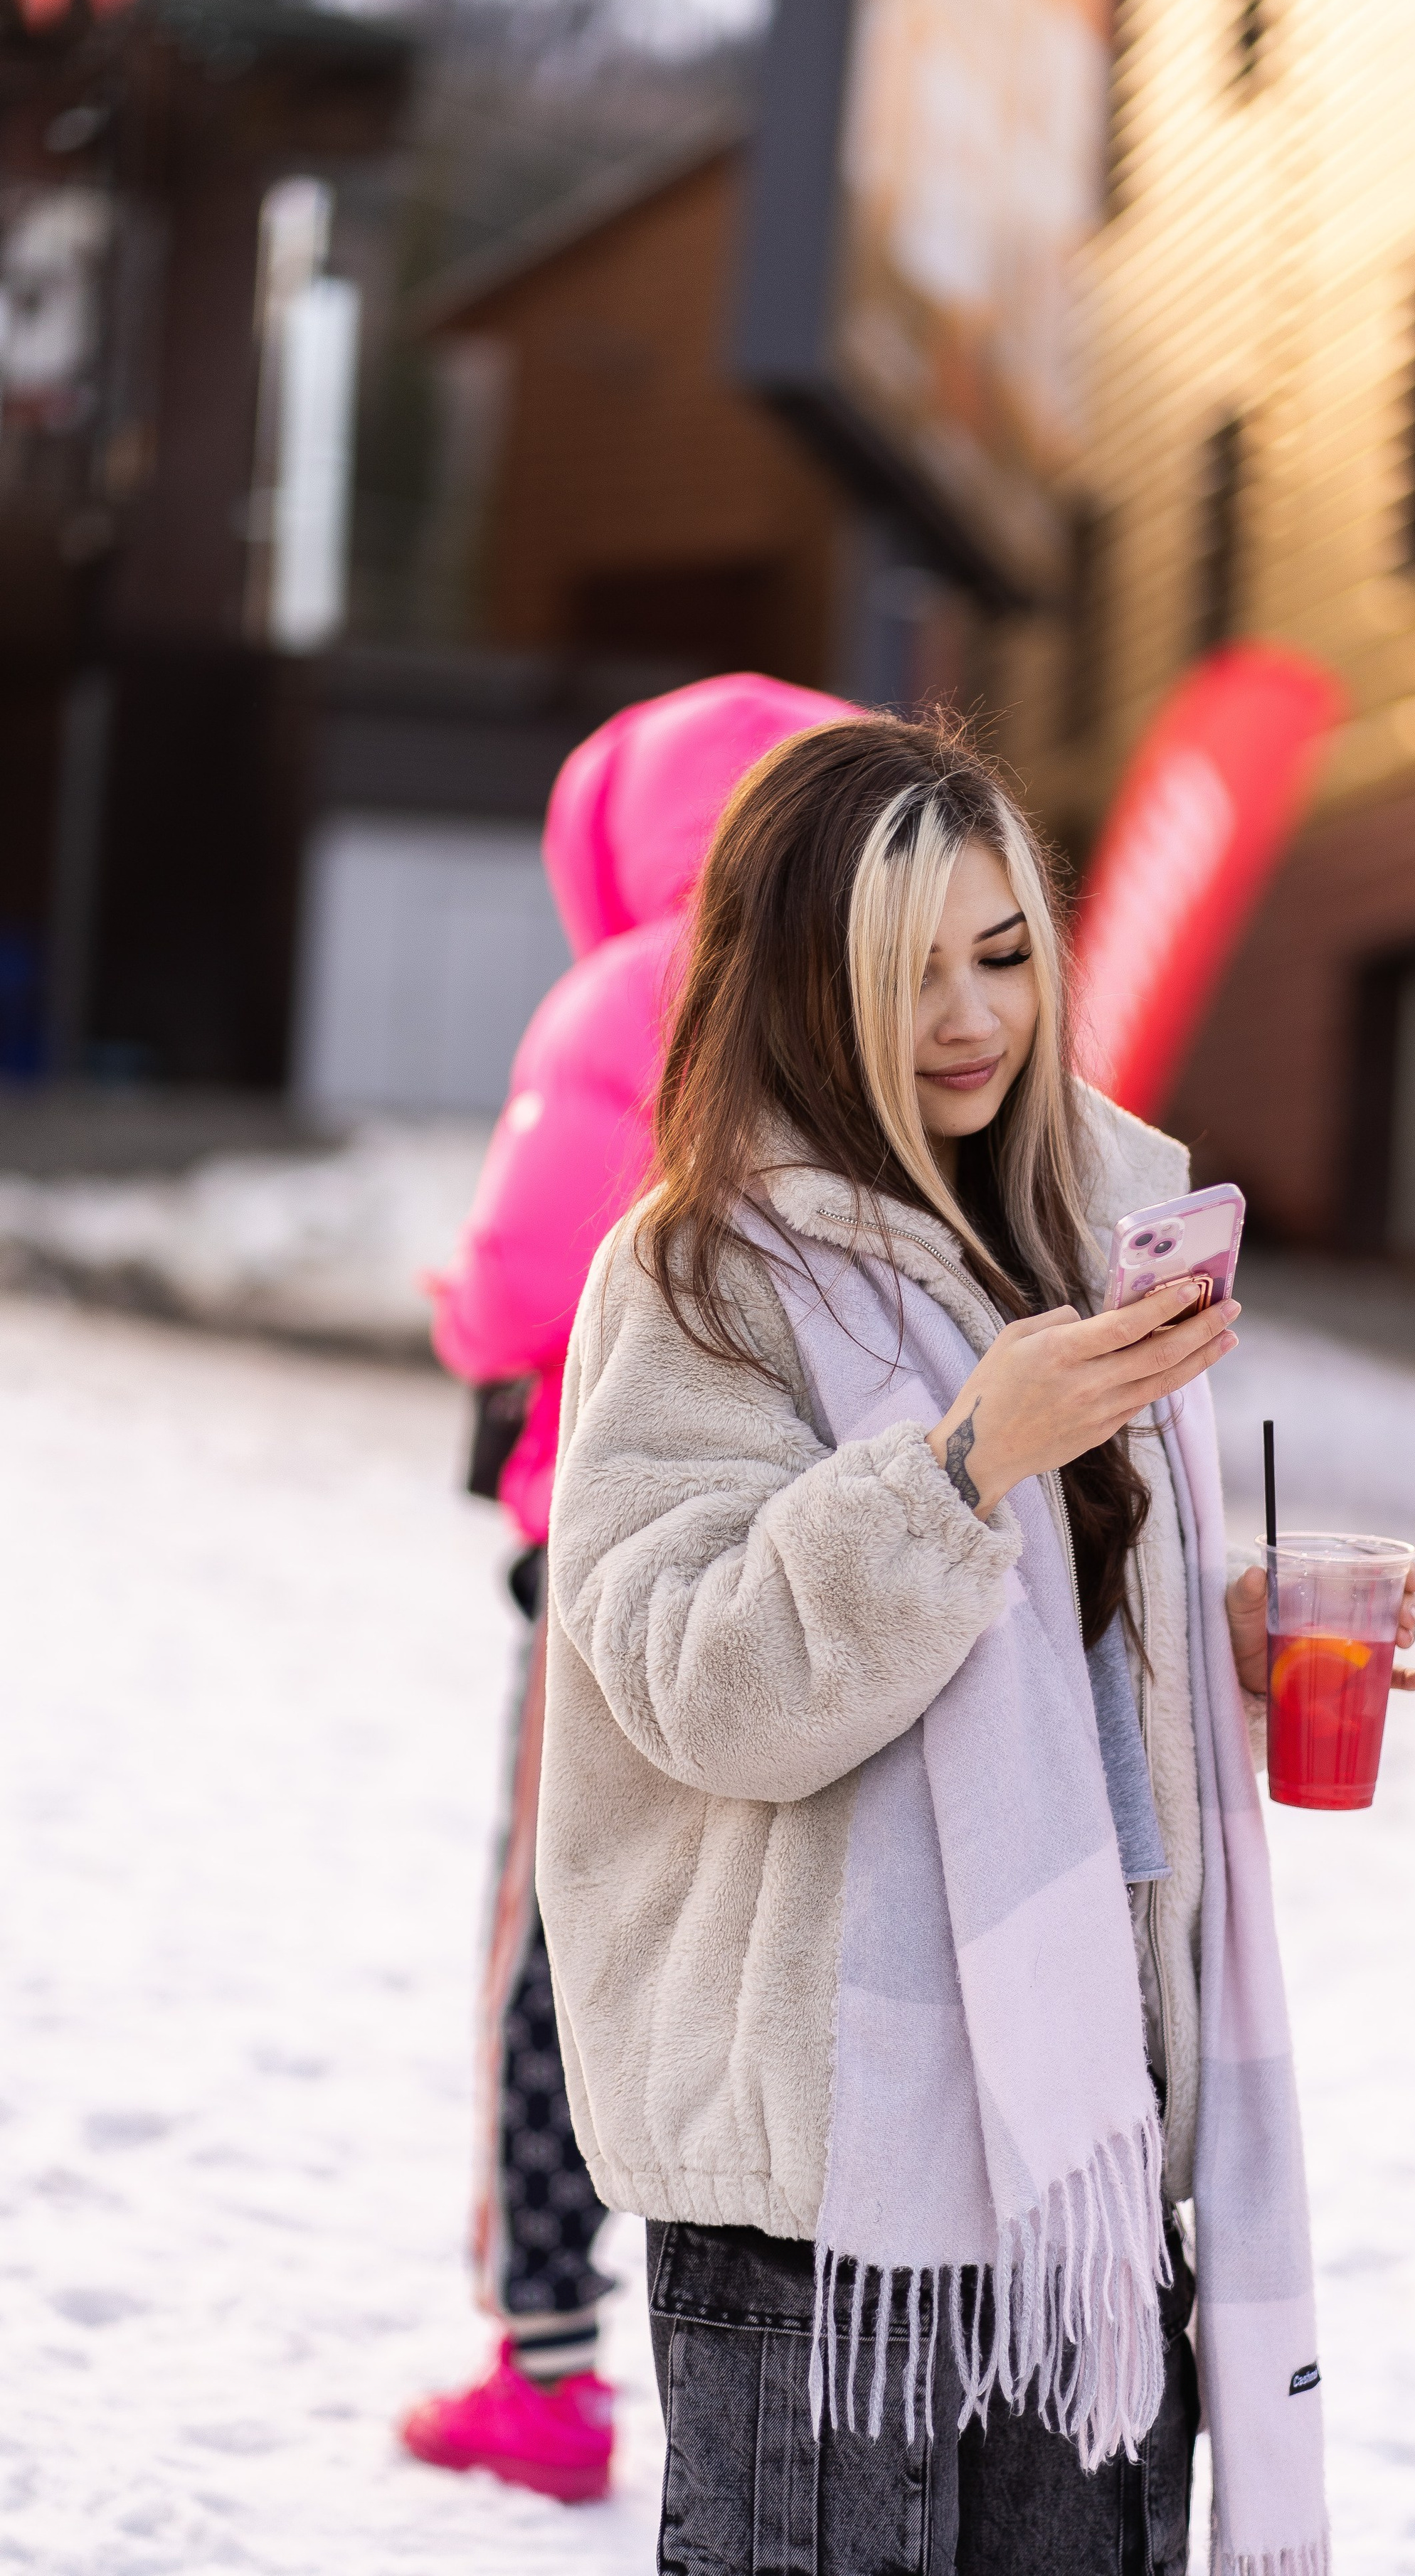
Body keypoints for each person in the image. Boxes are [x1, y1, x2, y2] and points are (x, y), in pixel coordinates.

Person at [540, 715, 1415, 2570]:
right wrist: (957, 1469)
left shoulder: (1087, 1231)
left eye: (1003, 954)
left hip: (1084, 2167)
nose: (969, 1017)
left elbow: (1051, 1641)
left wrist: (1212, 1630)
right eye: (905, 972)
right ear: (797, 983)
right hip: (825, 2212)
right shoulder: (702, 1273)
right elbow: (699, 1685)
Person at [401, 674, 852, 2504]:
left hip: (610, 1551)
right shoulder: (850, 993)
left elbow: (522, 1280)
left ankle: (544, 2365)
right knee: (769, 1944)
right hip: (805, 1576)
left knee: (558, 1930)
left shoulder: (623, 995)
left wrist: (457, 1309)